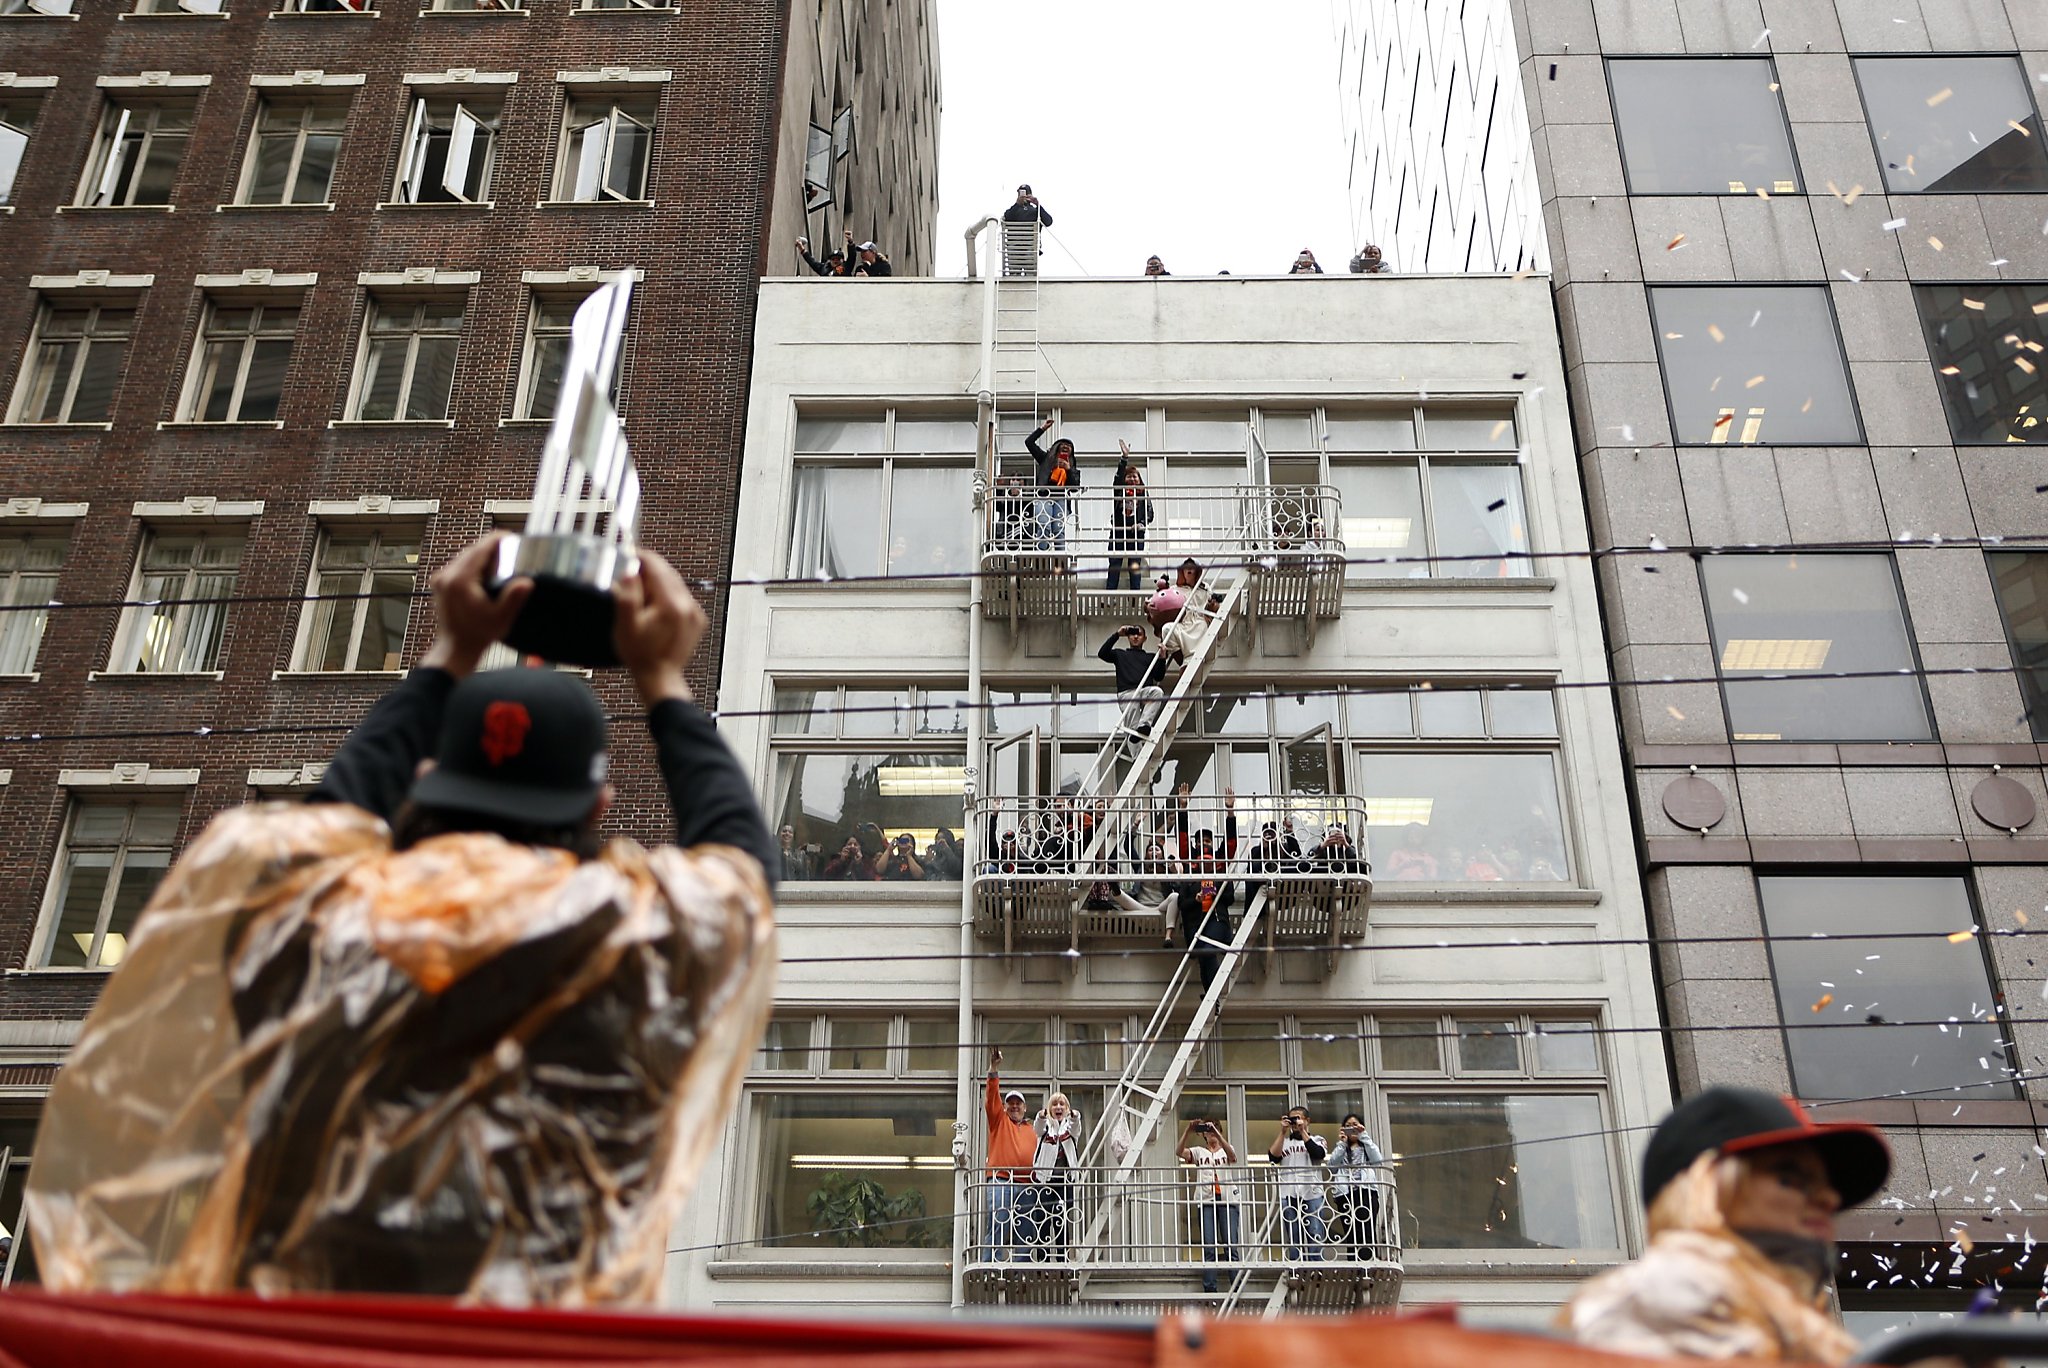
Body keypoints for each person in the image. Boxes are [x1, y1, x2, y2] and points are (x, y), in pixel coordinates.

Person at [25, 533, 780, 1304]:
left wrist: (451, 652)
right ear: (599, 806)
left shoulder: (313, 924)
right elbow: (745, 871)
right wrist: (661, 678)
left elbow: (312, 829)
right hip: (530, 1356)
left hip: (303, 1347)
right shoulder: (633, 948)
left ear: (426, 778)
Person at [1562, 1087, 1891, 1364]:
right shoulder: (1653, 1306)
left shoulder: (1797, 1333)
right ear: (1706, 1188)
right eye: (1790, 1176)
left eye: (1826, 1183)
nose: (1829, 1199)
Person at [982, 1050, 1039, 1263]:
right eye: (1011, 1103)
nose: (1014, 1106)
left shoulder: (1033, 1128)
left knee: (1026, 1228)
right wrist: (993, 1069)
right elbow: (991, 1096)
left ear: (1025, 1108)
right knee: (998, 1222)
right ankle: (990, 1266)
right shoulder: (999, 1121)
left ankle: (1021, 1269)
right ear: (1005, 1107)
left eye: (1018, 1103)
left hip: (1027, 1183)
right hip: (1001, 1178)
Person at [1178, 1117, 1242, 1294]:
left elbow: (1232, 1156)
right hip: (1206, 1201)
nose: (1211, 1134)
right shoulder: (1199, 1152)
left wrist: (1218, 1134)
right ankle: (1210, 1289)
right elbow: (1179, 1152)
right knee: (1209, 1246)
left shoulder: (1226, 1150)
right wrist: (1188, 1131)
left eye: (1214, 1130)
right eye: (1208, 1131)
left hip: (1228, 1200)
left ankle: (1236, 1288)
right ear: (1203, 1134)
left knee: (1230, 1245)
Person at [1022, 1092, 1084, 1261]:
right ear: (1049, 1108)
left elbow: (1076, 1127)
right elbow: (1038, 1128)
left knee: (1061, 1220)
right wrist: (1041, 1117)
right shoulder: (1046, 1128)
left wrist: (1075, 1116)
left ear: (1067, 1108)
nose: (1058, 1107)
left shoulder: (1069, 1128)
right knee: (1042, 1218)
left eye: (1062, 1104)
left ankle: (1062, 1259)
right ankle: (1043, 1259)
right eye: (1055, 1104)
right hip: (1045, 1179)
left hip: (1064, 1181)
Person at [1269, 1106, 1329, 1262]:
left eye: (1298, 1118)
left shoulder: (1317, 1139)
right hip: (1288, 1193)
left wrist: (1303, 1132)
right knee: (1293, 1234)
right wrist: (1282, 1132)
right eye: (1292, 1119)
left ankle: (1315, 1270)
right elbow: (1273, 1157)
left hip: (1312, 1193)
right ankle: (1295, 1269)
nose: (1295, 1122)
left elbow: (1319, 1154)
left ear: (1307, 1120)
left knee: (1315, 1232)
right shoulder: (1285, 1142)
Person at [1327, 1113, 1387, 1259]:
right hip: (1345, 1194)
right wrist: (1342, 1144)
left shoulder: (1366, 1146)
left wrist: (1364, 1136)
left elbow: (1377, 1160)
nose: (1351, 1128)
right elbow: (1332, 1167)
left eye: (1355, 1125)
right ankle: (1353, 1263)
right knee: (1350, 1231)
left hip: (1366, 1191)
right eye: (1347, 1126)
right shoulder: (1341, 1148)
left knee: (1366, 1228)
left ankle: (1367, 1264)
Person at [1099, 625, 1170, 743]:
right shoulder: (1120, 655)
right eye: (1132, 634)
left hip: (1143, 691)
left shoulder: (1151, 657)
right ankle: (1136, 758)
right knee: (1132, 729)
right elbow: (1102, 653)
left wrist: (1162, 658)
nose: (1136, 637)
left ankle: (1144, 725)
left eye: (1139, 634)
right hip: (1127, 694)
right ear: (1128, 637)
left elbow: (1159, 676)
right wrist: (1117, 634)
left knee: (1157, 692)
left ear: (1144, 638)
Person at [1023, 417, 1080, 556]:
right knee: (1044, 527)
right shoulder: (1045, 459)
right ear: (1056, 448)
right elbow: (1029, 443)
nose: (1066, 447)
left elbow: (1074, 488)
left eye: (1069, 447)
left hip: (1060, 499)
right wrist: (1042, 429)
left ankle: (1060, 563)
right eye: (1063, 445)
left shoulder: (1072, 468)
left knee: (1059, 531)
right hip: (1044, 496)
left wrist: (1069, 470)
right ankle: (1040, 561)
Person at [1107, 452, 1153, 591]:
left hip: (1136, 531)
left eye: (1135, 476)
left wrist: (1142, 524)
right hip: (1119, 530)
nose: (1132, 479)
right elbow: (1118, 478)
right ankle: (1110, 594)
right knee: (1115, 561)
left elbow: (1149, 512)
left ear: (1139, 480)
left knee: (1135, 564)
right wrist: (1124, 459)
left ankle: (1134, 594)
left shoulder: (1143, 494)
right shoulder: (1120, 491)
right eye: (1129, 476)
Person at [1002, 183, 1052, 275]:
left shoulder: (1036, 211)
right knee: (1017, 278)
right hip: (1016, 249)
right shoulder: (1013, 211)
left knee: (1028, 278)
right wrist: (1017, 205)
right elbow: (1007, 217)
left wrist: (1038, 204)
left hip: (1029, 249)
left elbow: (1048, 221)